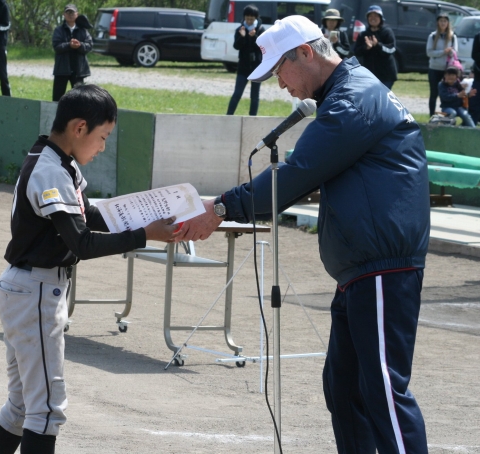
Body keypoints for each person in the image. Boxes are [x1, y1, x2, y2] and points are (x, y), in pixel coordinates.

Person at [178, 15, 430, 453]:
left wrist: (220, 208)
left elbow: (294, 175)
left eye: (279, 70)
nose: (280, 84)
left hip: (381, 268)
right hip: (363, 269)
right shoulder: (349, 95)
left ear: (306, 53)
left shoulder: (352, 101)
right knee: (344, 387)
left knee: (383, 392)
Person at [0, 85, 178, 454]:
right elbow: (82, 243)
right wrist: (144, 235)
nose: (103, 147)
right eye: (102, 137)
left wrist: (147, 215)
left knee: (22, 408)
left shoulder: (57, 161)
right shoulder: (50, 171)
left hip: (28, 289)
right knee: (46, 411)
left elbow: (90, 215)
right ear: (79, 127)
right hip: (34, 292)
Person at [226, 5, 264, 116]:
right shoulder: (240, 30)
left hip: (257, 67)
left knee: (254, 95)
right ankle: (228, 116)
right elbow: (236, 46)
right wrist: (242, 37)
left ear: (256, 18)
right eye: (247, 18)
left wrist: (254, 37)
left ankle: (252, 118)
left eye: (251, 19)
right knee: (237, 93)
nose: (249, 21)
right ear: (244, 17)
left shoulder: (261, 30)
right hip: (243, 67)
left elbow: (263, 47)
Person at [51, 4, 93, 102]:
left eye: (72, 12)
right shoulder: (58, 30)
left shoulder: (83, 31)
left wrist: (80, 45)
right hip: (62, 70)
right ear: (64, 15)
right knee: (57, 99)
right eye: (68, 12)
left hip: (78, 70)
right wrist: (69, 45)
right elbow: (56, 46)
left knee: (79, 100)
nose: (70, 15)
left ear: (77, 14)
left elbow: (89, 46)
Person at [354, 5, 397, 89]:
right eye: (370, 16)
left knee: (382, 96)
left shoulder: (387, 32)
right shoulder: (363, 34)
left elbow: (392, 49)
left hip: (386, 75)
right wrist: (366, 48)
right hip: (369, 75)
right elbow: (356, 51)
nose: (373, 18)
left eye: (376, 16)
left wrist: (378, 45)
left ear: (381, 18)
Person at [426, 12, 458, 117]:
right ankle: (431, 115)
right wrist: (443, 52)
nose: (443, 23)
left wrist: (450, 52)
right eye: (441, 21)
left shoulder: (453, 36)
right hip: (434, 68)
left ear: (448, 23)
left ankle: (448, 115)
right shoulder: (432, 36)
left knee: (447, 93)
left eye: (445, 21)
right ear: (437, 23)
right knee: (434, 93)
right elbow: (429, 52)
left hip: (447, 70)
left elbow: (455, 53)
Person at [469, 30, 480, 125]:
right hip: (479, 75)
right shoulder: (478, 36)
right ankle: (472, 124)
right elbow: (474, 55)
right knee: (475, 101)